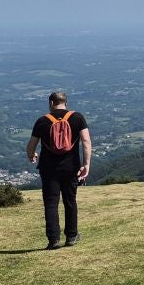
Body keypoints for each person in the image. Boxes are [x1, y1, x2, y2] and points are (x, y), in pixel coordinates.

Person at [26, 91, 91, 250]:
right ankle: (71, 236)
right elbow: (86, 142)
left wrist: (32, 155)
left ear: (50, 103)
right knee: (70, 201)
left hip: (49, 169)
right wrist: (86, 164)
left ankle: (53, 240)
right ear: (66, 103)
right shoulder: (77, 118)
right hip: (71, 167)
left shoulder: (42, 121)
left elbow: (31, 146)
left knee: (51, 203)